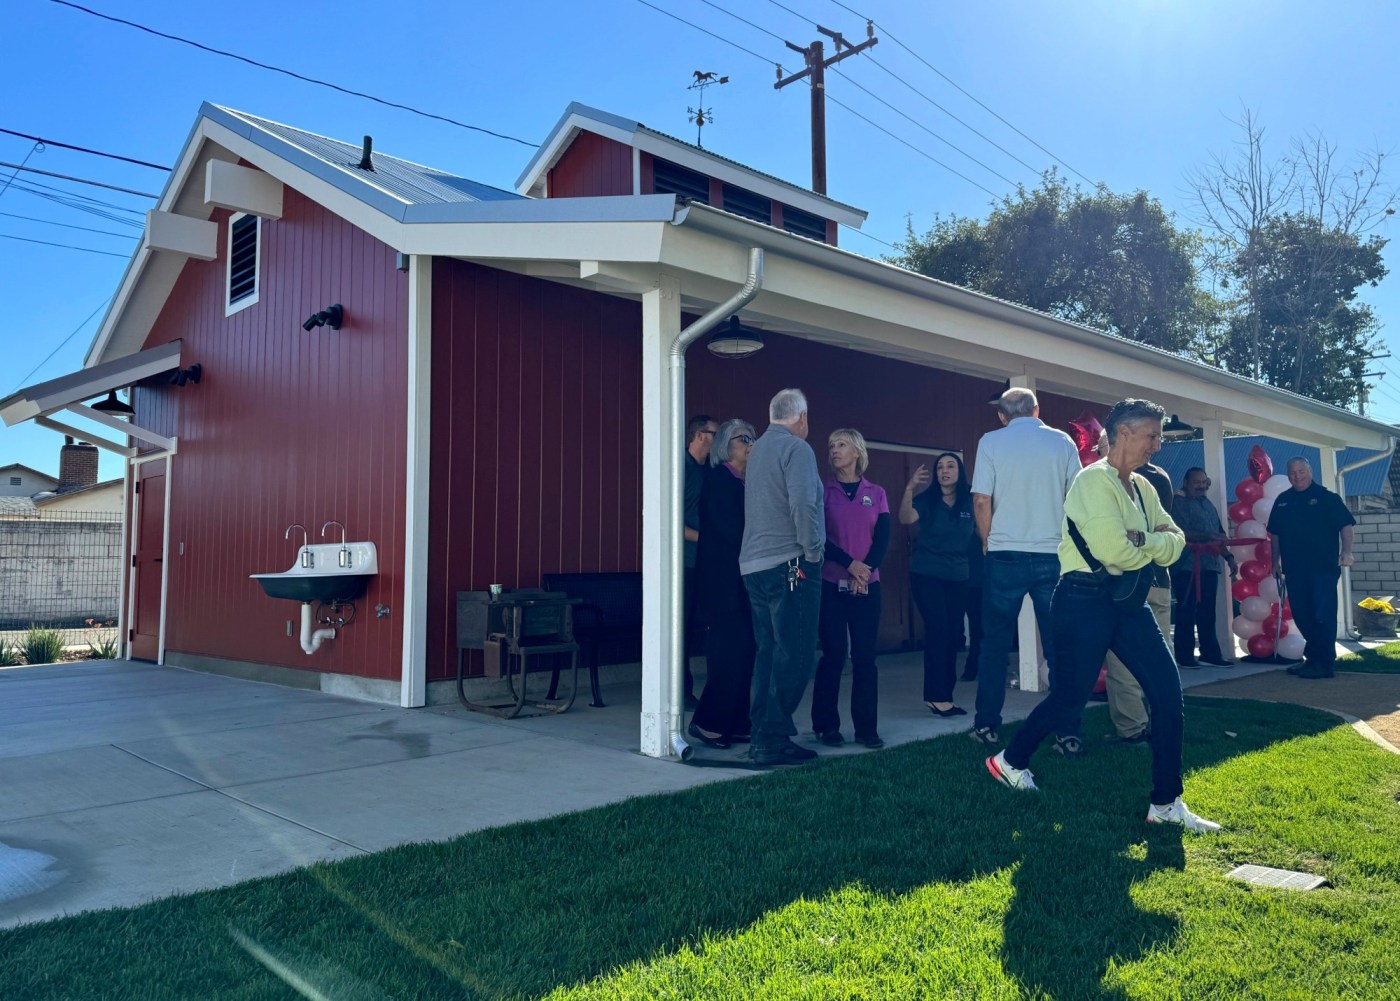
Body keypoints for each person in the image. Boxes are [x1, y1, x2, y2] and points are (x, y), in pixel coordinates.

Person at [985, 399, 1221, 833]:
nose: (1158, 445)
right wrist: (1151, 543)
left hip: (1127, 602)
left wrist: (1142, 540)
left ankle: (1166, 803)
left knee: (1168, 695)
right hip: (1083, 599)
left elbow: (1177, 540)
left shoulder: (1145, 488)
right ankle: (1010, 760)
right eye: (1153, 435)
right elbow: (1114, 551)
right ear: (1124, 434)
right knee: (1068, 698)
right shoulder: (1092, 482)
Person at [969, 387, 1081, 751]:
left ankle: (986, 725)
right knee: (1059, 644)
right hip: (1053, 553)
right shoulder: (1062, 441)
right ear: (1037, 410)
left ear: (1002, 416)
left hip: (1004, 553)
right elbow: (1077, 499)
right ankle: (1067, 732)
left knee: (995, 644)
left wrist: (987, 541)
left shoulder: (990, 441)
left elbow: (982, 499)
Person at [740, 389, 825, 766]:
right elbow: (803, 503)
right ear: (802, 417)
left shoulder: (756, 451)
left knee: (768, 652)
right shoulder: (797, 449)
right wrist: (813, 551)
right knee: (798, 652)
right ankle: (772, 738)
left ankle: (763, 733)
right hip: (790, 563)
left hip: (753, 565)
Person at [1097, 429, 1179, 744]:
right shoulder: (1160, 477)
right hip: (1160, 577)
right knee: (1161, 657)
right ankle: (1167, 723)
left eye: (1103, 447)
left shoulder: (1115, 480)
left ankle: (1131, 730)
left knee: (1123, 661)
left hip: (1129, 583)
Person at [811, 429, 890, 749]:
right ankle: (826, 726)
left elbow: (883, 537)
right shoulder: (822, 491)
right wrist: (850, 565)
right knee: (833, 655)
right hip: (831, 584)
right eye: (830, 446)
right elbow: (819, 536)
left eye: (841, 445)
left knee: (865, 657)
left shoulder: (877, 491)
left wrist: (865, 569)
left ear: (857, 451)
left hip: (868, 587)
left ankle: (866, 729)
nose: (834, 451)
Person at [690, 420, 758, 748]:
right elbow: (730, 530)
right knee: (727, 653)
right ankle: (708, 723)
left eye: (752, 438)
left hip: (744, 582)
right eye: (744, 439)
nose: (751, 444)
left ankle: (738, 721)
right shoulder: (718, 480)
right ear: (727, 446)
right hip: (722, 584)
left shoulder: (749, 483)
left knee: (748, 651)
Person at [1267, 457, 1356, 680]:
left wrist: (1347, 551)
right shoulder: (1283, 500)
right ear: (1287, 474)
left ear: (1310, 471)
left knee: (1321, 614)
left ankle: (1324, 663)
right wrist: (1274, 561)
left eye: (1301, 471)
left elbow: (1345, 525)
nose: (1297, 476)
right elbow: (1274, 534)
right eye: (1292, 472)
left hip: (1322, 568)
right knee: (1302, 614)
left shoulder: (1327, 498)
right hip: (1294, 568)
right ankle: (1312, 659)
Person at [901, 451, 975, 718]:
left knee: (953, 634)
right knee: (939, 629)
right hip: (927, 574)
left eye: (951, 465)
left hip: (958, 576)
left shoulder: (970, 500)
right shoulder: (927, 499)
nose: (945, 470)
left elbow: (984, 528)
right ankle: (936, 696)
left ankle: (945, 695)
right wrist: (909, 488)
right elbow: (905, 518)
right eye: (940, 466)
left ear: (959, 471)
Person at [1170, 467, 1237, 669]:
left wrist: (1229, 557)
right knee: (1186, 611)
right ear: (1186, 483)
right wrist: (1209, 537)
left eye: (1203, 482)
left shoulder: (1207, 503)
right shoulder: (1178, 503)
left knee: (1208, 611)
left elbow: (1219, 533)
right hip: (1186, 566)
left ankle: (1210, 654)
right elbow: (1181, 532)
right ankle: (1184, 655)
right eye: (1196, 482)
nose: (1200, 486)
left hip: (1209, 564)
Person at [683, 414, 719, 708]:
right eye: (713, 433)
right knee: (679, 627)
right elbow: (670, 520)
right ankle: (680, 692)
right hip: (683, 563)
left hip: (707, 563)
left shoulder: (708, 471)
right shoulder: (679, 467)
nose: (716, 439)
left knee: (710, 625)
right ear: (698, 436)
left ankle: (715, 690)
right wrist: (707, 539)